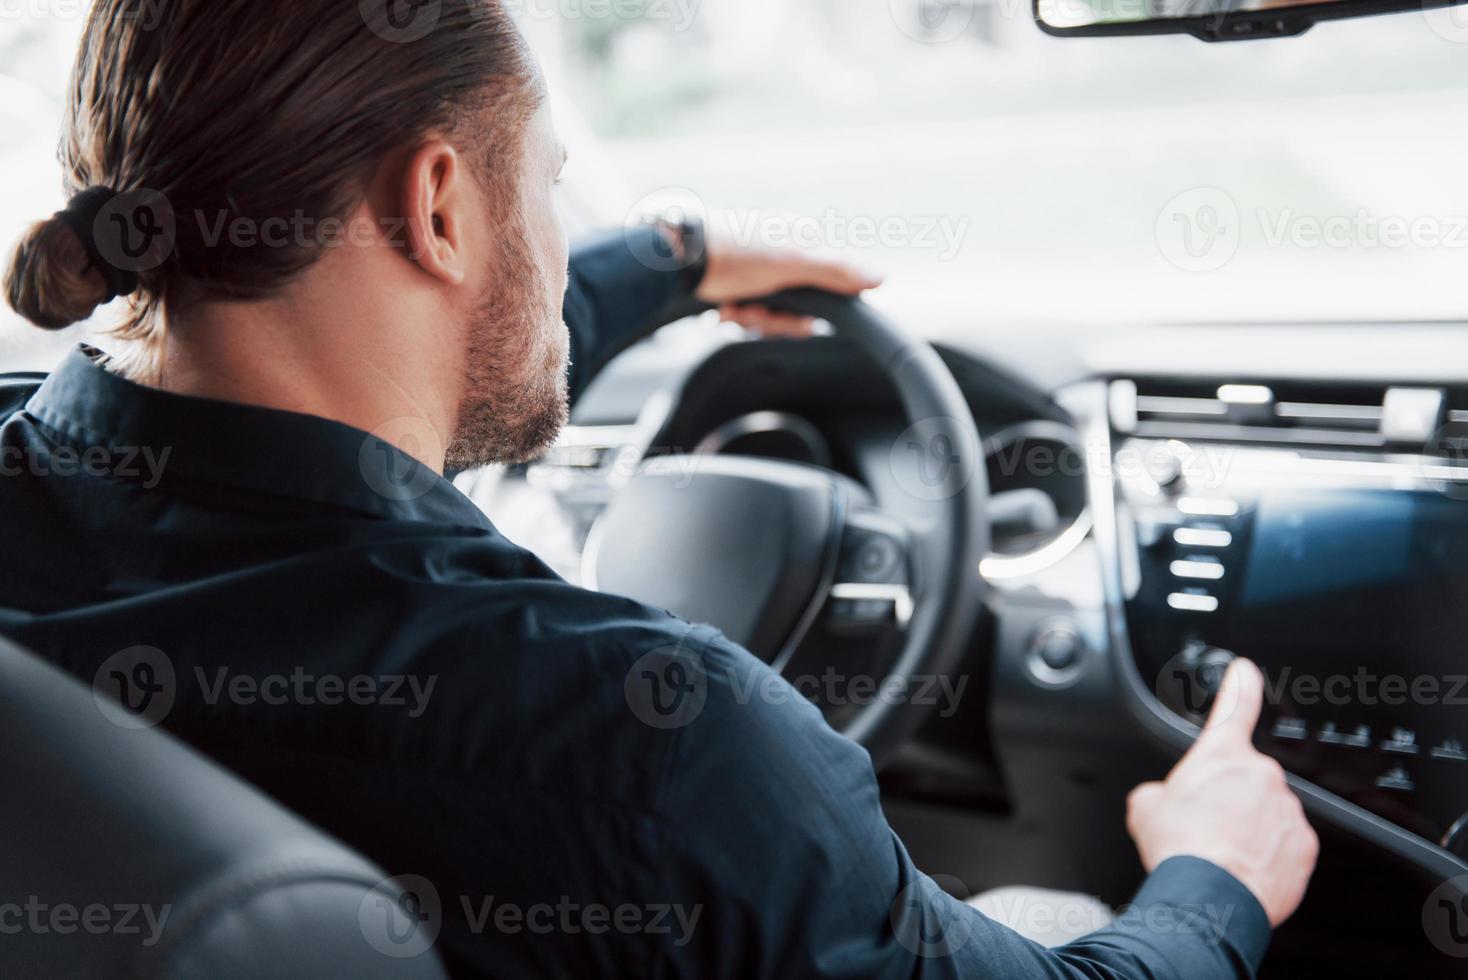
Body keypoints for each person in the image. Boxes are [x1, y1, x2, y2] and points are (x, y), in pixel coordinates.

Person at [0, 1, 1317, 976]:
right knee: (1065, 921)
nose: (560, 238)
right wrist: (1216, 881)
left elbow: (360, 349)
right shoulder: (662, 750)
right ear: (444, 207)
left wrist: (668, 261)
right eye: (550, 188)